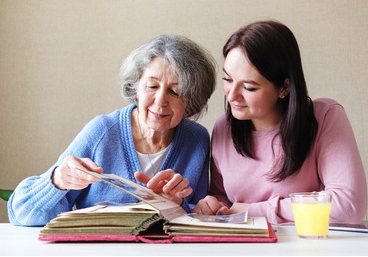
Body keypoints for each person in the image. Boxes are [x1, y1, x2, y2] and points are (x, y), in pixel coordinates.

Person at [8, 34, 216, 226]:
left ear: (191, 100)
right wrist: (57, 181)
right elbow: (21, 213)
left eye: (175, 91)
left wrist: (175, 207)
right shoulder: (102, 132)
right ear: (135, 89)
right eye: (152, 86)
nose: (161, 100)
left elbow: (196, 219)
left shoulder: (196, 140)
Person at [194, 20, 367, 224]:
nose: (232, 96)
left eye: (249, 88)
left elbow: (349, 206)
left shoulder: (325, 117)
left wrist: (255, 211)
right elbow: (225, 201)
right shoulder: (224, 127)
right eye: (228, 79)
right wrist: (212, 204)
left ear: (284, 87)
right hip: (242, 251)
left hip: (305, 249)